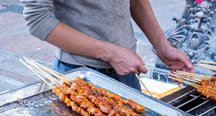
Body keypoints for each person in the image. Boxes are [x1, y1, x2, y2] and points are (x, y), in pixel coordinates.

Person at [22, 0, 194, 90]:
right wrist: (112, 53)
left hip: (128, 75)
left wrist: (162, 46)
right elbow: (38, 19)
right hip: (79, 75)